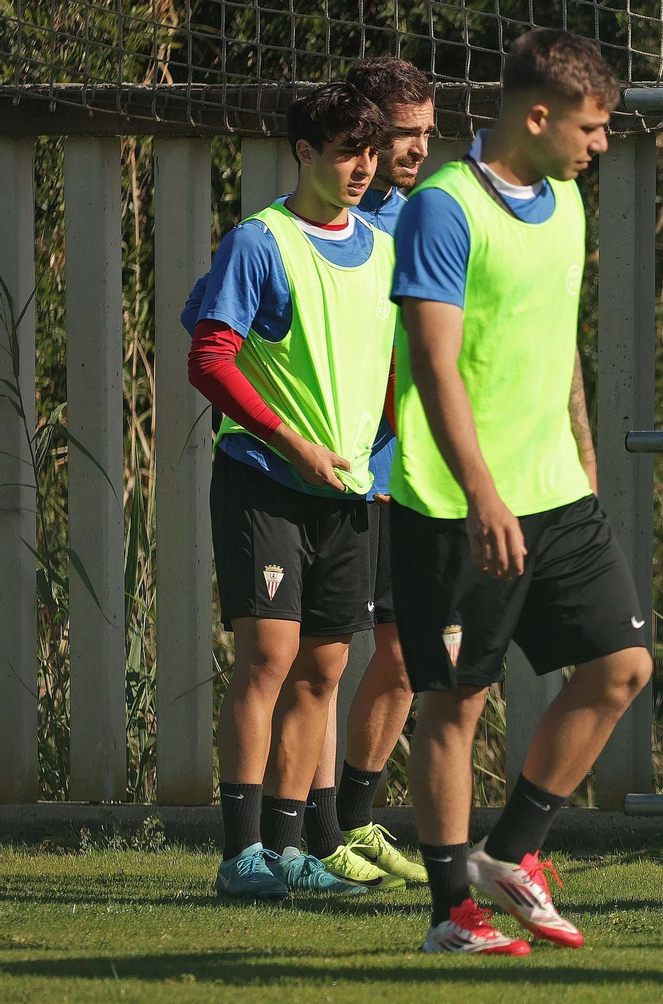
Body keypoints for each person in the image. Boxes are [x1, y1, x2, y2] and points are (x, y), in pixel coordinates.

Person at [389, 27, 652, 955]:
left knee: (622, 667)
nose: (602, 142)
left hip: (558, 494)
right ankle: (449, 914)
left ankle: (512, 855)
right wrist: (485, 494)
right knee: (457, 704)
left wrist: (579, 456)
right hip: (457, 504)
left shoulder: (569, 198)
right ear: (536, 115)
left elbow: (556, 343)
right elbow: (433, 364)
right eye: (590, 125)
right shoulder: (442, 208)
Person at [184, 82, 395, 899]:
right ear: (304, 152)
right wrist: (293, 442)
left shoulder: (382, 248)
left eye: (370, 152)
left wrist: (375, 452)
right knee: (268, 656)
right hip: (264, 479)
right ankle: (240, 856)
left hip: (346, 494)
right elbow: (210, 359)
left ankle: (289, 851)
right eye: (347, 150)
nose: (363, 167)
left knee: (324, 670)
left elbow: (388, 367)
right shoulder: (260, 241)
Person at [296, 55, 437, 893]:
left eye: (426, 132)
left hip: (418, 475)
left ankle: (350, 820)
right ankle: (312, 831)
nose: (416, 148)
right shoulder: (323, 220)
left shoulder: (428, 218)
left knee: (407, 653)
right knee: (327, 657)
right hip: (350, 474)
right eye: (400, 133)